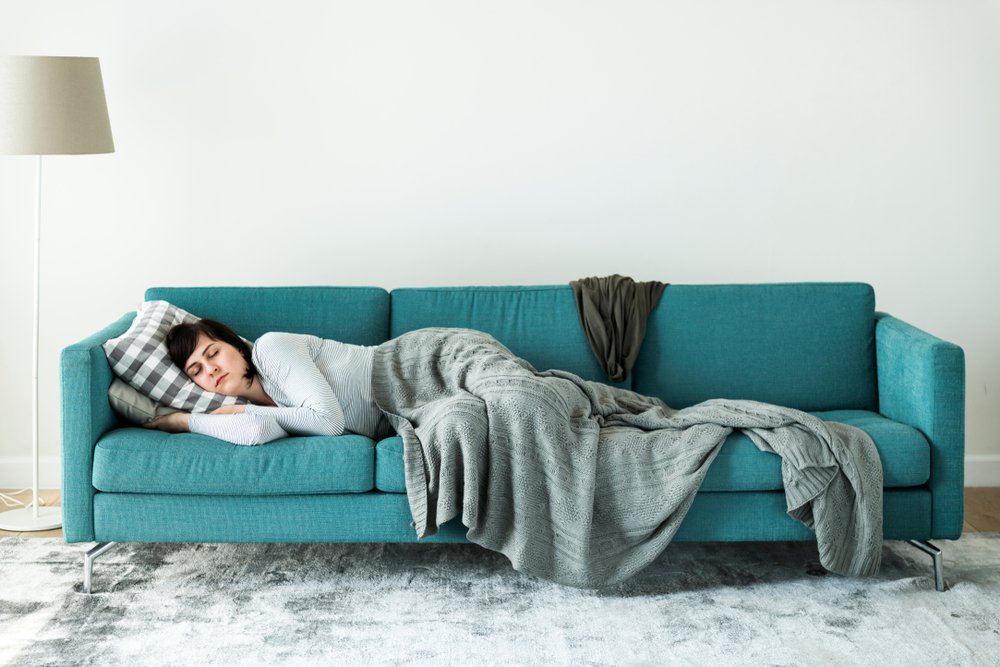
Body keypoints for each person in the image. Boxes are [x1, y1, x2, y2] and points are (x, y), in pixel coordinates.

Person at [144, 319, 393, 445]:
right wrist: (184, 421)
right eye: (196, 371)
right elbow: (257, 431)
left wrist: (240, 410)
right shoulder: (262, 408)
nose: (211, 369)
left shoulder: (269, 349)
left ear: (237, 347)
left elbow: (329, 422)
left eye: (213, 353)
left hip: (403, 370)